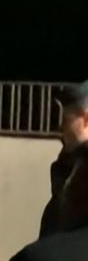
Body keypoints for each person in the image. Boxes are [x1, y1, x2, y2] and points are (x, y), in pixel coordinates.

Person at [40, 81, 88, 238]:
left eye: (66, 120)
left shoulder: (80, 168)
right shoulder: (69, 163)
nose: (61, 127)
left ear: (86, 120)